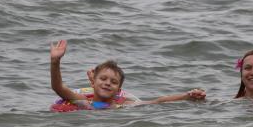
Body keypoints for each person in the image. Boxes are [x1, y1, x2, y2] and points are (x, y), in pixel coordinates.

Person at [50, 40, 206, 110]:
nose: (107, 83)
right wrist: (55, 61)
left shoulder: (123, 105)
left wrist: (187, 96)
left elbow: (158, 101)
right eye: (103, 79)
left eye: (113, 81)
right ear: (92, 82)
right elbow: (58, 87)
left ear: (119, 90)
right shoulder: (83, 103)